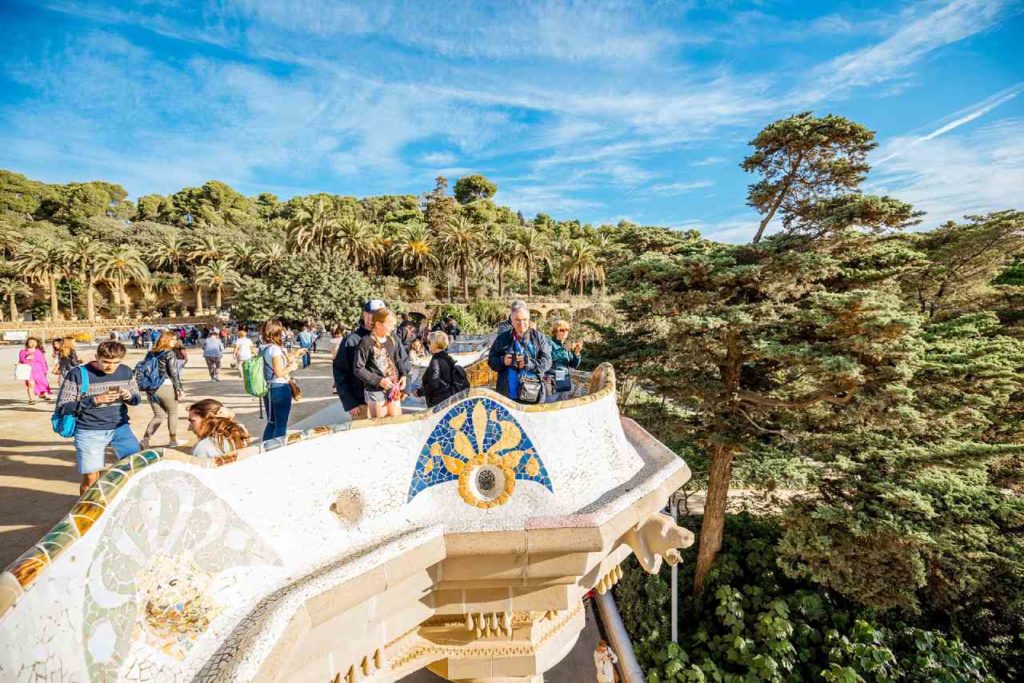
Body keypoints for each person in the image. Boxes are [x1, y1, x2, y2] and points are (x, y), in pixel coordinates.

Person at [54, 340, 141, 494]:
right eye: (106, 362)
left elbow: (136, 399)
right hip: (89, 431)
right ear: (96, 357)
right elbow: (63, 406)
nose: (111, 367)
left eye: (116, 363)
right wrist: (95, 400)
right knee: (91, 479)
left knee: (136, 467)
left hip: (121, 428)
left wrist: (129, 396)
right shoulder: (78, 374)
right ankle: (87, 511)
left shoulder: (126, 371)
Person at [488, 303, 551, 403]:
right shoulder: (503, 338)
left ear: (529, 320)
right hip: (507, 396)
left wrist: (530, 364)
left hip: (533, 394)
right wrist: (503, 361)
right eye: (517, 320)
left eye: (524, 319)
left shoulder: (538, 337)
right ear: (511, 321)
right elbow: (491, 361)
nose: (521, 323)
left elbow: (547, 362)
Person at [334, 299, 385, 420]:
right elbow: (340, 372)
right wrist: (350, 402)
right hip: (362, 404)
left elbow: (402, 363)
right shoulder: (351, 340)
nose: (376, 318)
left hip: (386, 401)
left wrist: (405, 387)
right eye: (373, 314)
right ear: (365, 315)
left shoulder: (388, 338)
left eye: (380, 314)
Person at [354, 308, 407, 419]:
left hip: (394, 388)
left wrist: (404, 375)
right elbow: (358, 368)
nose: (393, 328)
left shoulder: (393, 339)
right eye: (390, 325)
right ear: (378, 324)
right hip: (376, 391)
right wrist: (379, 381)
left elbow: (398, 360)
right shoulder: (365, 342)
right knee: (381, 424)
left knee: (396, 422)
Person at [139, 331, 187, 450]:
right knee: (173, 413)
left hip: (151, 388)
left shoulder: (151, 353)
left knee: (158, 415)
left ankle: (145, 440)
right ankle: (173, 440)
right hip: (166, 386)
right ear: (168, 340)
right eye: (173, 339)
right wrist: (180, 389)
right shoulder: (170, 353)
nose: (175, 341)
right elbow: (174, 373)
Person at [259, 319, 301, 441]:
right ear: (276, 331)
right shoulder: (275, 349)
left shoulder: (263, 348)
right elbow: (279, 373)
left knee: (271, 422)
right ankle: (277, 449)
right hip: (280, 388)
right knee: (281, 424)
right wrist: (291, 367)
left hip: (269, 389)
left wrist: (296, 354)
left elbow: (274, 365)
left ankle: (266, 448)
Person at [416, 331, 469, 407]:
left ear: (434, 344)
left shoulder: (436, 360)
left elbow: (433, 383)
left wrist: (419, 392)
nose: (428, 345)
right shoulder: (447, 358)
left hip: (439, 400)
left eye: (429, 342)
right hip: (449, 396)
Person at [546, 319, 583, 402]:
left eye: (567, 330)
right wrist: (563, 350)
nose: (565, 332)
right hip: (553, 378)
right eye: (562, 330)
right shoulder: (549, 342)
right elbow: (549, 359)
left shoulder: (565, 346)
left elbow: (573, 365)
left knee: (563, 404)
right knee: (550, 404)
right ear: (555, 331)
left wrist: (577, 353)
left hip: (564, 378)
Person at [18, 337, 52, 404]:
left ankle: (42, 394)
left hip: (39, 370)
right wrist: (27, 358)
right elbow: (21, 360)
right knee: (31, 384)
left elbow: (43, 361)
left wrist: (45, 370)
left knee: (42, 383)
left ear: (36, 343)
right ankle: (31, 399)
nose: (32, 343)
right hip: (28, 370)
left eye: (34, 342)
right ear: (27, 343)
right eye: (30, 342)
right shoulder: (23, 351)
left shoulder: (38, 351)